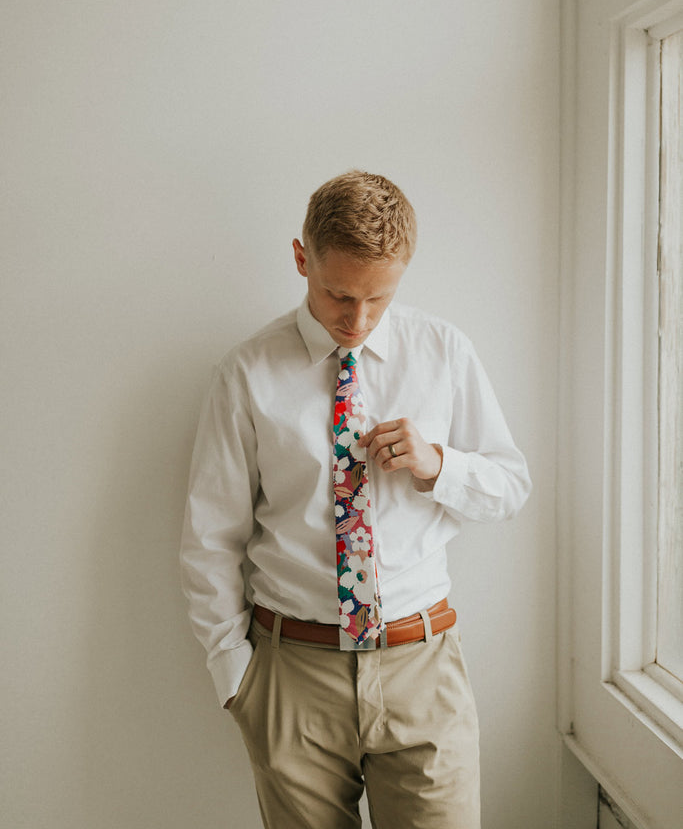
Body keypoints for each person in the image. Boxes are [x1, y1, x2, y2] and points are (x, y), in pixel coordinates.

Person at [180, 170, 532, 829]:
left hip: (421, 665)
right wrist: (237, 678)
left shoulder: (443, 353)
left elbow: (510, 486)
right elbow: (210, 538)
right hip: (292, 674)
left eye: (379, 298)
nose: (357, 320)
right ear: (299, 258)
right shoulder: (247, 374)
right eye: (338, 294)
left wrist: (437, 466)